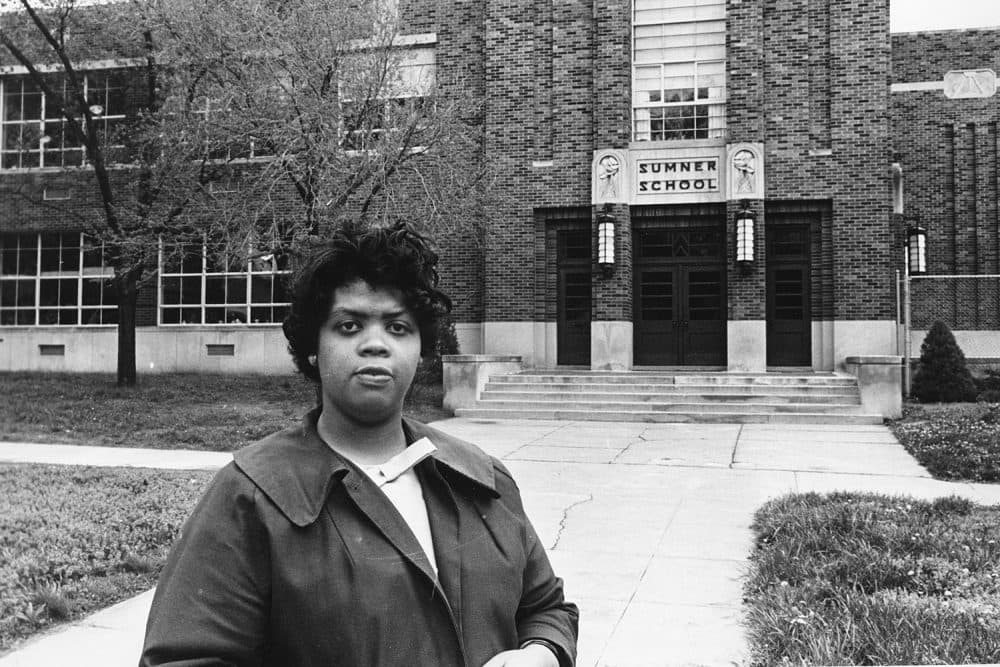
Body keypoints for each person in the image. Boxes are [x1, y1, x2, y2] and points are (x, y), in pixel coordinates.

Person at [140, 222, 579, 667]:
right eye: (349, 326)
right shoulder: (251, 498)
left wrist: (541, 653)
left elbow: (546, 609)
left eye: (398, 327)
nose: (375, 344)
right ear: (313, 346)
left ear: (421, 346)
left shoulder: (483, 479)